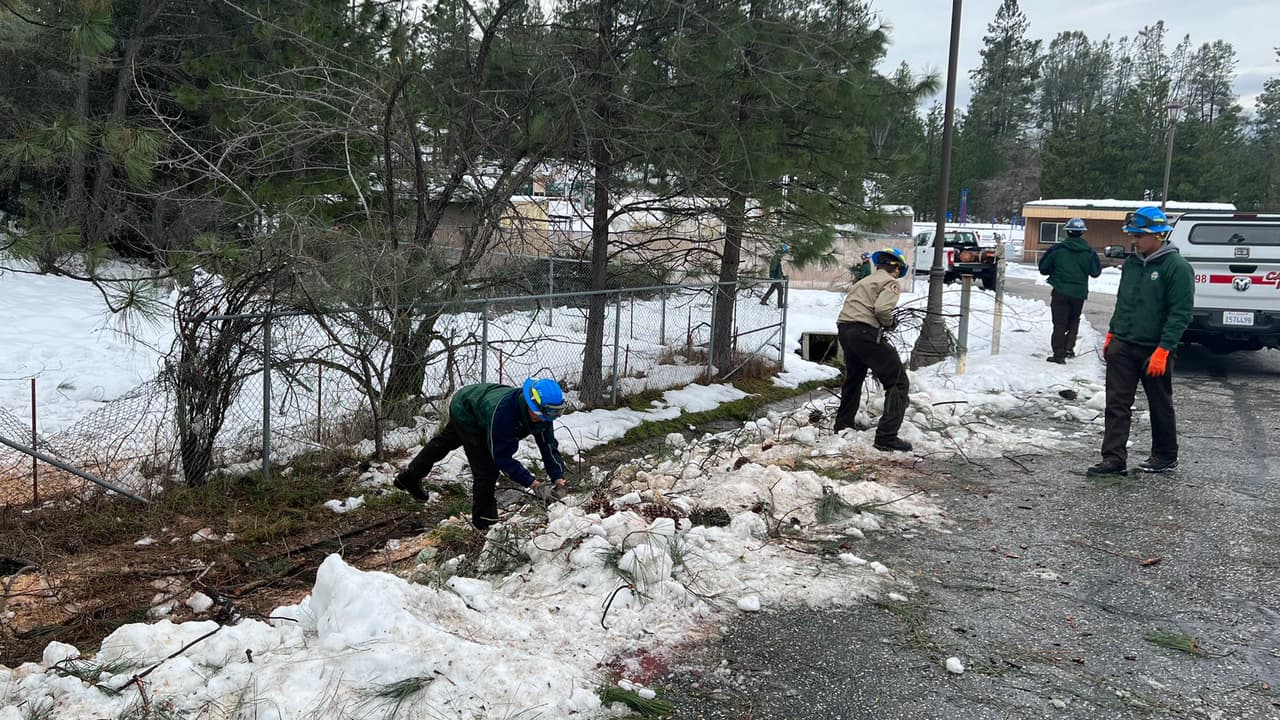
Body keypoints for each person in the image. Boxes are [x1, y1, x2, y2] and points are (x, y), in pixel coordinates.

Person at [1087, 206, 1194, 476]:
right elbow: (1123, 301)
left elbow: (1180, 313)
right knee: (1116, 403)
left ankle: (1165, 455)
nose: (1133, 240)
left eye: (1139, 236)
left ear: (1158, 235)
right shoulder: (1132, 264)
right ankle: (1113, 458)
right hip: (1124, 344)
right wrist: (1113, 333)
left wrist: (1164, 349)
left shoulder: (1177, 267)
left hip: (1155, 348)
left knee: (1159, 404)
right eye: (1132, 235)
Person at [394, 378, 568, 528]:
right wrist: (533, 483)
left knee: (445, 442)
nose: (545, 420)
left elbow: (548, 446)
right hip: (467, 409)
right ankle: (484, 525)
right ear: (531, 403)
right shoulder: (504, 414)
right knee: (486, 471)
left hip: (481, 404)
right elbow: (501, 457)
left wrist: (558, 478)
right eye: (542, 415)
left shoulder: (544, 414)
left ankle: (408, 478)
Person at [834, 247, 912, 452]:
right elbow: (882, 309)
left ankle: (842, 426)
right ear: (896, 268)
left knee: (854, 379)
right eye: (899, 271)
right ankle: (887, 437)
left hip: (845, 330)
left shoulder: (864, 281)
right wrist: (890, 323)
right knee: (898, 382)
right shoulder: (890, 282)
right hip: (864, 332)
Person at [1038, 217, 1102, 363]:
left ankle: (1058, 355)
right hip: (1079, 293)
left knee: (1059, 323)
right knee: (1074, 320)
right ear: (1082, 233)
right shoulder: (1089, 252)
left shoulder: (1057, 249)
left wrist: (1056, 269)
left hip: (1060, 291)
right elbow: (1095, 272)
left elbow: (1043, 268)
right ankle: (1068, 348)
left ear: (1067, 232)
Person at [760, 244, 789, 308]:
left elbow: (779, 270)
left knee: (772, 289)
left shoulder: (777, 259)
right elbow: (773, 269)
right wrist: (773, 278)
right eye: (782, 253)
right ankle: (780, 305)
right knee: (780, 291)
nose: (783, 255)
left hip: (776, 278)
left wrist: (782, 276)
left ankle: (763, 300)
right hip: (776, 278)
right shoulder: (775, 259)